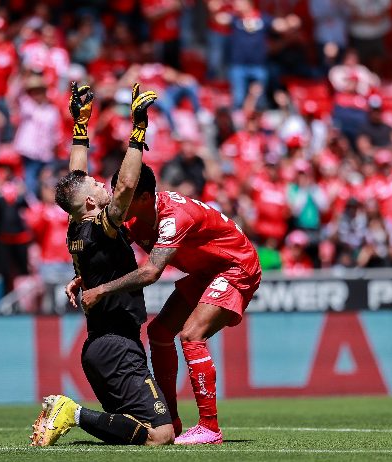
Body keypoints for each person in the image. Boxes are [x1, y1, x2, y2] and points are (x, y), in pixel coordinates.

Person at [30, 82, 175, 447]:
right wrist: (138, 130)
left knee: (133, 428)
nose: (101, 183)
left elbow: (76, 182)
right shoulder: (101, 226)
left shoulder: (77, 224)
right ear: (94, 203)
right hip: (115, 346)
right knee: (161, 435)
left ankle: (73, 414)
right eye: (97, 184)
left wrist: (81, 126)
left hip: (101, 346)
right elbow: (127, 185)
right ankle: (71, 412)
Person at [79, 163, 262, 445]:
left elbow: (151, 272)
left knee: (191, 335)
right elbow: (107, 256)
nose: (116, 201)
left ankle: (210, 428)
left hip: (236, 266)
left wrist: (100, 290)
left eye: (122, 194)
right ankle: (172, 421)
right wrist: (82, 277)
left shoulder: (174, 217)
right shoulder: (132, 218)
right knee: (159, 334)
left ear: (142, 198)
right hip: (206, 271)